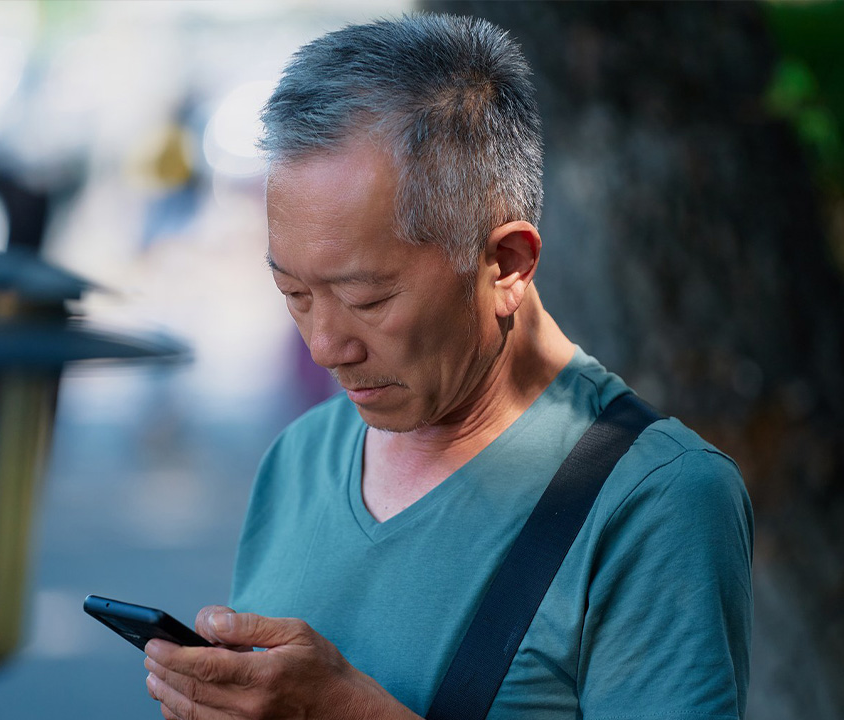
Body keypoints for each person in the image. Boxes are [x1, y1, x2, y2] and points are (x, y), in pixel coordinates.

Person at [144, 14, 752, 720]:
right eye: (294, 294)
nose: (324, 346)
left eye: (366, 298)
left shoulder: (657, 499)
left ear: (506, 265)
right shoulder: (302, 456)